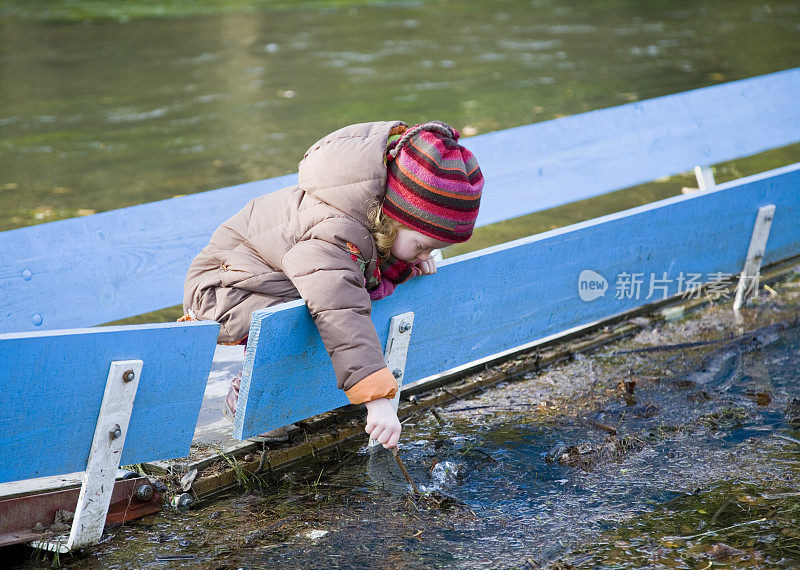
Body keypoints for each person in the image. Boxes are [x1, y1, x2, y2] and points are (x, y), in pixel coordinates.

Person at [181, 120, 484, 448]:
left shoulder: (369, 218)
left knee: (333, 296)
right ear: (394, 218)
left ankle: (310, 385)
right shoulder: (338, 230)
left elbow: (359, 272)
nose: (425, 254)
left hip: (272, 276)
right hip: (226, 290)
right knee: (319, 309)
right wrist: (377, 399)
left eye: (433, 250)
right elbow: (340, 309)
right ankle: (252, 394)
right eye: (423, 245)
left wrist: (407, 261)